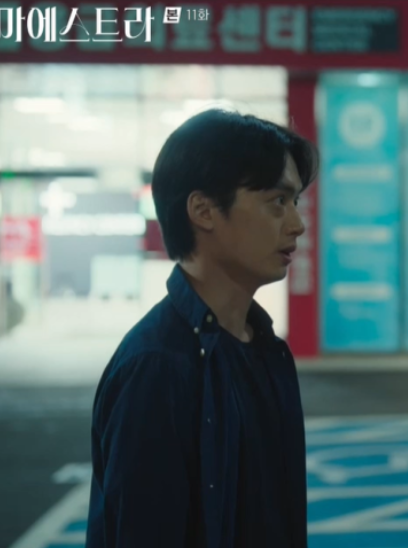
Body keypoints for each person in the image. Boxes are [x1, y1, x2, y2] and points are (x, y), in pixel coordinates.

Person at [85, 109, 318, 547]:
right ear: (204, 210)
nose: (297, 224)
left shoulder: (266, 349)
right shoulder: (157, 367)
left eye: (295, 203)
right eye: (277, 202)